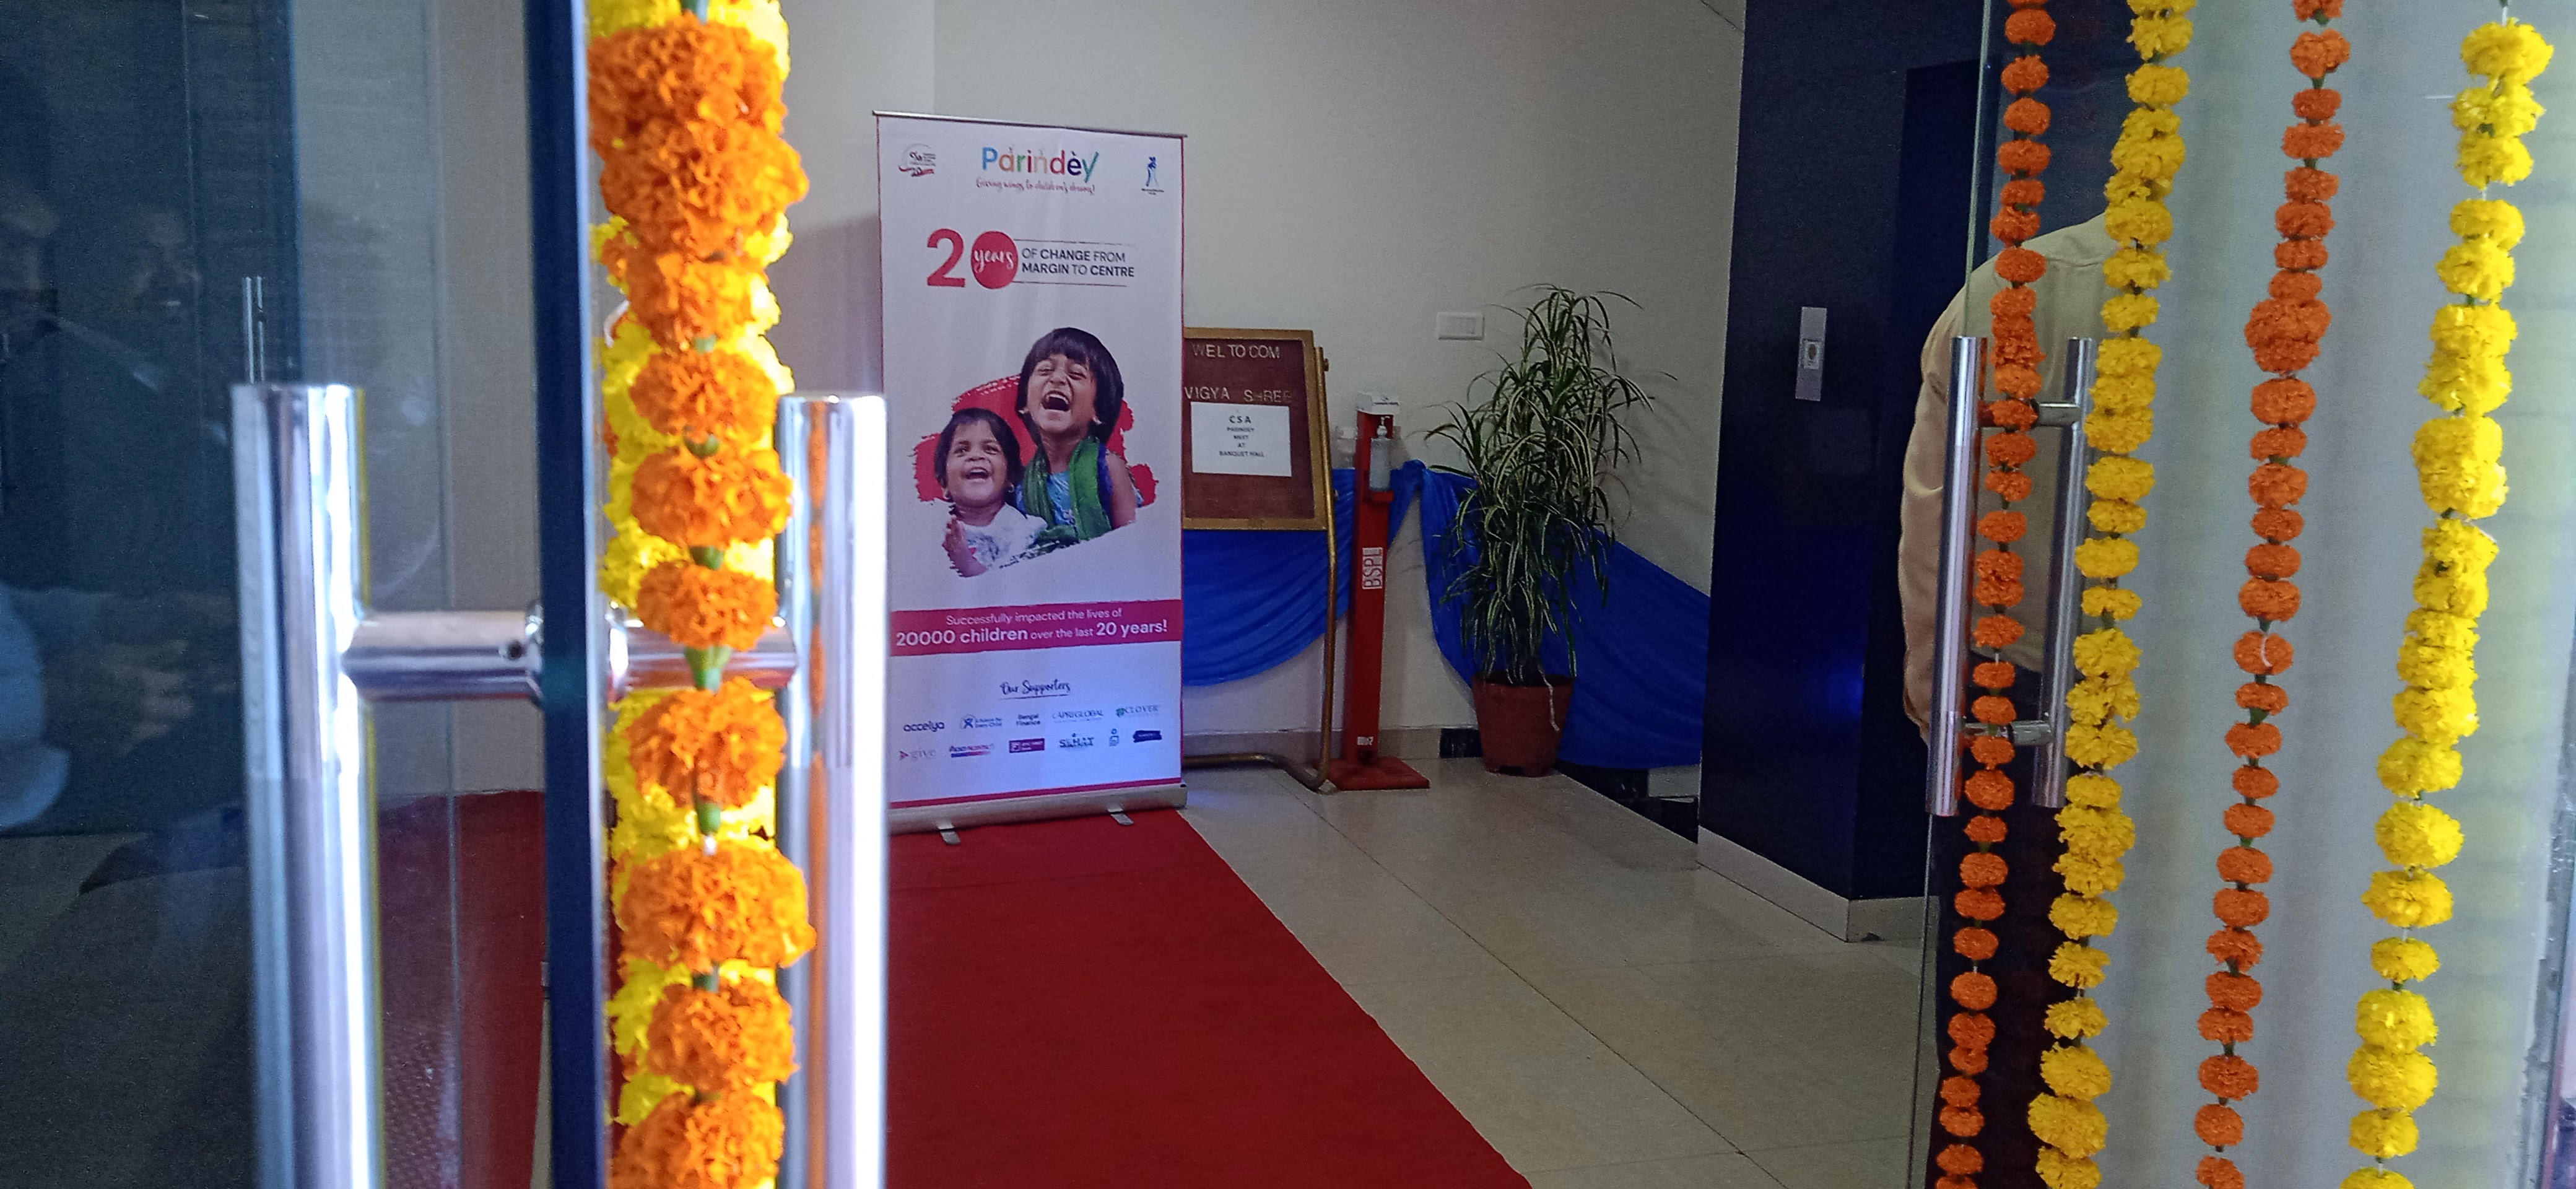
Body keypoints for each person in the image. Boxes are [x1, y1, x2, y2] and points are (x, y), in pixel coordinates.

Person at [1898, 211, 2113, 731]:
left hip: (2019, 675)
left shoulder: (2010, 286)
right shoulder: (2286, 300)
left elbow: (1934, 519)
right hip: (2246, 673)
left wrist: (1934, 699)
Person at [1012, 326, 1139, 541]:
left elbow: (1131, 542)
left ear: (1098, 409)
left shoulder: (1107, 468)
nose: (1057, 379)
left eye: (1076, 374)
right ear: (1025, 402)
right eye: (1045, 370)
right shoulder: (1023, 486)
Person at [935, 408, 1046, 577]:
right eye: (962, 450)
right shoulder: (933, 534)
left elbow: (1015, 585)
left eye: (990, 449)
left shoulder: (1028, 533)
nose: (976, 456)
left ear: (1010, 477)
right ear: (944, 483)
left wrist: (968, 566)